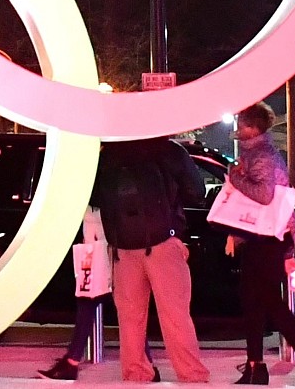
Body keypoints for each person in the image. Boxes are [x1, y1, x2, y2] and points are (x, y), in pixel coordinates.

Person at [222, 103, 295, 386]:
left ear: (253, 127)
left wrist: (234, 176)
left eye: (241, 123)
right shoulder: (255, 153)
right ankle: (256, 365)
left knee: (268, 300)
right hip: (260, 235)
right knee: (253, 302)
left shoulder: (262, 155)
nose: (237, 128)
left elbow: (264, 195)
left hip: (270, 236)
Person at [93, 136, 208, 385]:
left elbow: (93, 197)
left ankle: (136, 374)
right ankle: (192, 375)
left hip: (122, 246)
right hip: (163, 242)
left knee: (130, 318)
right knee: (175, 316)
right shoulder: (168, 149)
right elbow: (197, 192)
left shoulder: (107, 153)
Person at [40, 205, 111, 381]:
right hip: (98, 238)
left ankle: (72, 361)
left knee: (91, 300)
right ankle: (71, 360)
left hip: (102, 239)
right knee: (123, 305)